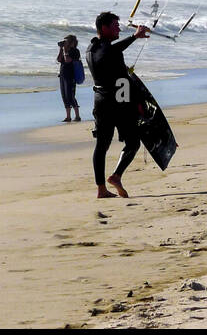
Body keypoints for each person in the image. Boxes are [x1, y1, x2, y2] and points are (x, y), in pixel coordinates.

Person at [87, 11, 150, 199]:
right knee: (126, 143)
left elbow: (112, 58)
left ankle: (110, 181)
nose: (119, 29)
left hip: (105, 101)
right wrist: (134, 37)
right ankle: (108, 183)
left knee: (108, 145)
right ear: (104, 28)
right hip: (115, 102)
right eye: (115, 25)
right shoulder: (98, 49)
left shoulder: (97, 48)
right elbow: (109, 53)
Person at [57, 34, 82, 123]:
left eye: (66, 41)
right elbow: (59, 59)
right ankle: (68, 117)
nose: (64, 43)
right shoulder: (64, 50)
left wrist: (65, 50)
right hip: (63, 75)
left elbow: (67, 60)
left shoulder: (75, 51)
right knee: (64, 96)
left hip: (71, 76)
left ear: (71, 42)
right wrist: (61, 49)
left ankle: (77, 116)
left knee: (70, 96)